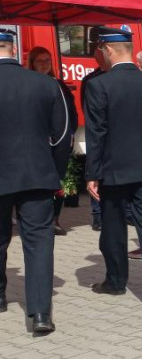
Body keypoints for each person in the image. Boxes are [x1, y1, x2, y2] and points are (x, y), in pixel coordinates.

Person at [84, 26, 142, 311]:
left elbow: (96, 133)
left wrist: (92, 174)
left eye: (100, 49)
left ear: (108, 50)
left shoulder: (100, 85)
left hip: (113, 170)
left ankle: (116, 281)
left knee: (113, 227)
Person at [0, 30, 72, 334]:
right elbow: (63, 134)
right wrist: (54, 172)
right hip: (37, 174)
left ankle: (0, 296)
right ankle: (41, 312)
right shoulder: (46, 83)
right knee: (39, 243)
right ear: (15, 48)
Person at [27, 47, 78, 235]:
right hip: (38, 142)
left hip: (60, 140)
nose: (44, 64)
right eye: (40, 61)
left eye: (47, 60)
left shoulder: (59, 85)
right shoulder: (28, 84)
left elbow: (70, 111)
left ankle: (55, 217)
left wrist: (70, 133)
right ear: (32, 63)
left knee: (60, 179)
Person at [80, 42, 111, 231]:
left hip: (115, 136)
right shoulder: (91, 80)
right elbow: (87, 107)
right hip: (99, 134)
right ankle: (97, 215)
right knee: (95, 172)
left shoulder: (115, 77)